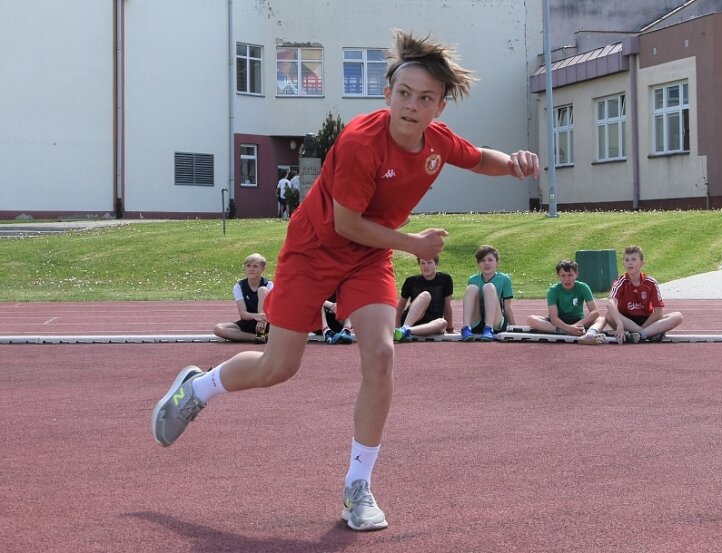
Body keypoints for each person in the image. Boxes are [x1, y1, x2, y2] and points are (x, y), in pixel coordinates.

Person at [151, 29, 539, 532]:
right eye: (404, 94)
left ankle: (358, 487)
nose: (412, 106)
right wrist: (416, 245)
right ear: (387, 93)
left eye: (425, 99)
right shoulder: (360, 141)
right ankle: (196, 390)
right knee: (278, 367)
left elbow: (475, 155)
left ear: (439, 108)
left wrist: (513, 164)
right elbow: (347, 224)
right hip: (315, 250)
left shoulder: (436, 142)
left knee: (381, 355)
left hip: (369, 257)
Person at [606, 245, 683, 343]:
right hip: (626, 320)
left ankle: (639, 335)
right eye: (626, 260)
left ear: (642, 263)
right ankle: (648, 334)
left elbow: (658, 312)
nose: (630, 262)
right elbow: (610, 303)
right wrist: (619, 323)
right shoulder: (620, 282)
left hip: (647, 320)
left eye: (634, 259)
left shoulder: (650, 282)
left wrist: (642, 328)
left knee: (677, 316)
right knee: (609, 315)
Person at [527, 259, 608, 345]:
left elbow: (595, 312)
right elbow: (554, 318)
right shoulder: (553, 291)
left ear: (576, 275)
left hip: (578, 320)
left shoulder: (583, 287)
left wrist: (577, 325)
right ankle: (563, 331)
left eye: (570, 275)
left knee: (602, 319)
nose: (567, 279)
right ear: (558, 275)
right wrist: (569, 328)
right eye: (563, 275)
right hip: (558, 322)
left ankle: (590, 334)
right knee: (531, 319)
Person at [212, 253, 274, 343]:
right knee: (218, 328)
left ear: (263, 269)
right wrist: (256, 316)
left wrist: (262, 319)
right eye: (248, 266)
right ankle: (257, 338)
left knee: (262, 290)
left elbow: (273, 310)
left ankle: (261, 333)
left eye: (255, 266)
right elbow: (243, 314)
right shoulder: (239, 286)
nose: (251, 269)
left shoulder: (269, 285)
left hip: (267, 323)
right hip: (248, 322)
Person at [461, 245, 516, 342]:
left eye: (490, 260)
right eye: (482, 260)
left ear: (497, 262)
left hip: (495, 323)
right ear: (478, 263)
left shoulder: (504, 279)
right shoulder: (472, 279)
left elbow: (507, 308)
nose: (486, 263)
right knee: (471, 288)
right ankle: (466, 327)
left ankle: (488, 328)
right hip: (477, 323)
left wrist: (514, 329)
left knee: (489, 287)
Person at [393, 256, 453, 342]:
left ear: (436, 264)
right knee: (425, 295)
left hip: (431, 324)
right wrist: (397, 327)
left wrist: (450, 329)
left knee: (443, 323)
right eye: (422, 263)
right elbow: (401, 307)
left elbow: (447, 306)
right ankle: (404, 327)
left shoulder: (445, 279)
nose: (426, 266)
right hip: (412, 320)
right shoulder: (411, 281)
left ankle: (406, 331)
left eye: (429, 263)